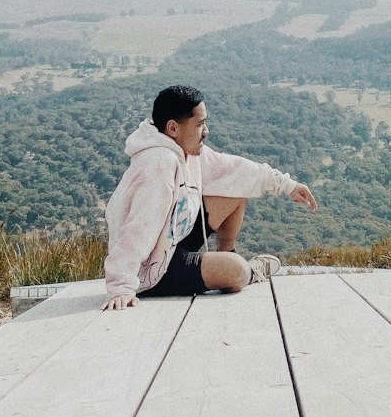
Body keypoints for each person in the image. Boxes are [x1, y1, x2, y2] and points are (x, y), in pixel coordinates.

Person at [103, 84, 318, 310]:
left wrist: (287, 185)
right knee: (237, 270)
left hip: (172, 236)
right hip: (153, 269)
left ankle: (224, 257)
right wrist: (121, 286)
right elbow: (138, 227)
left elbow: (235, 170)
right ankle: (243, 271)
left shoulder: (185, 150)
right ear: (173, 128)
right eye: (199, 124)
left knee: (236, 187)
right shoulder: (159, 165)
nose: (206, 130)